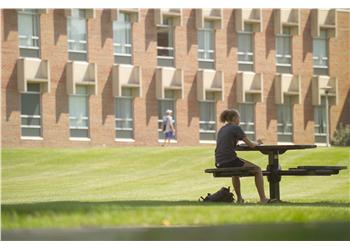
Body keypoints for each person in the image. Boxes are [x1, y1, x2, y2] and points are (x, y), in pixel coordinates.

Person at [215, 108, 272, 204]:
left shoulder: (222, 129)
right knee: (257, 170)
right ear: (234, 118)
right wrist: (258, 142)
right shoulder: (235, 128)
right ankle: (263, 199)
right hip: (230, 160)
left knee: (235, 173)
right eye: (239, 118)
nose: (239, 120)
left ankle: (240, 199)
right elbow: (251, 145)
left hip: (219, 162)